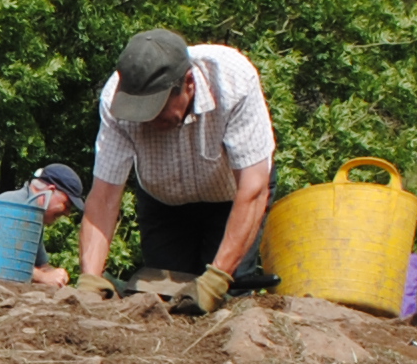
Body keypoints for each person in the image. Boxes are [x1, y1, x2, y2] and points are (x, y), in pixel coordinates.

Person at [72, 32, 273, 314]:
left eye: (156, 109)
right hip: (163, 202)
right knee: (164, 303)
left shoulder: (233, 80)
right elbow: (104, 196)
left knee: (224, 302)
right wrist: (91, 280)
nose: (148, 119)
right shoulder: (115, 100)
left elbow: (253, 188)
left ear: (188, 84)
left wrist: (216, 279)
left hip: (231, 198)